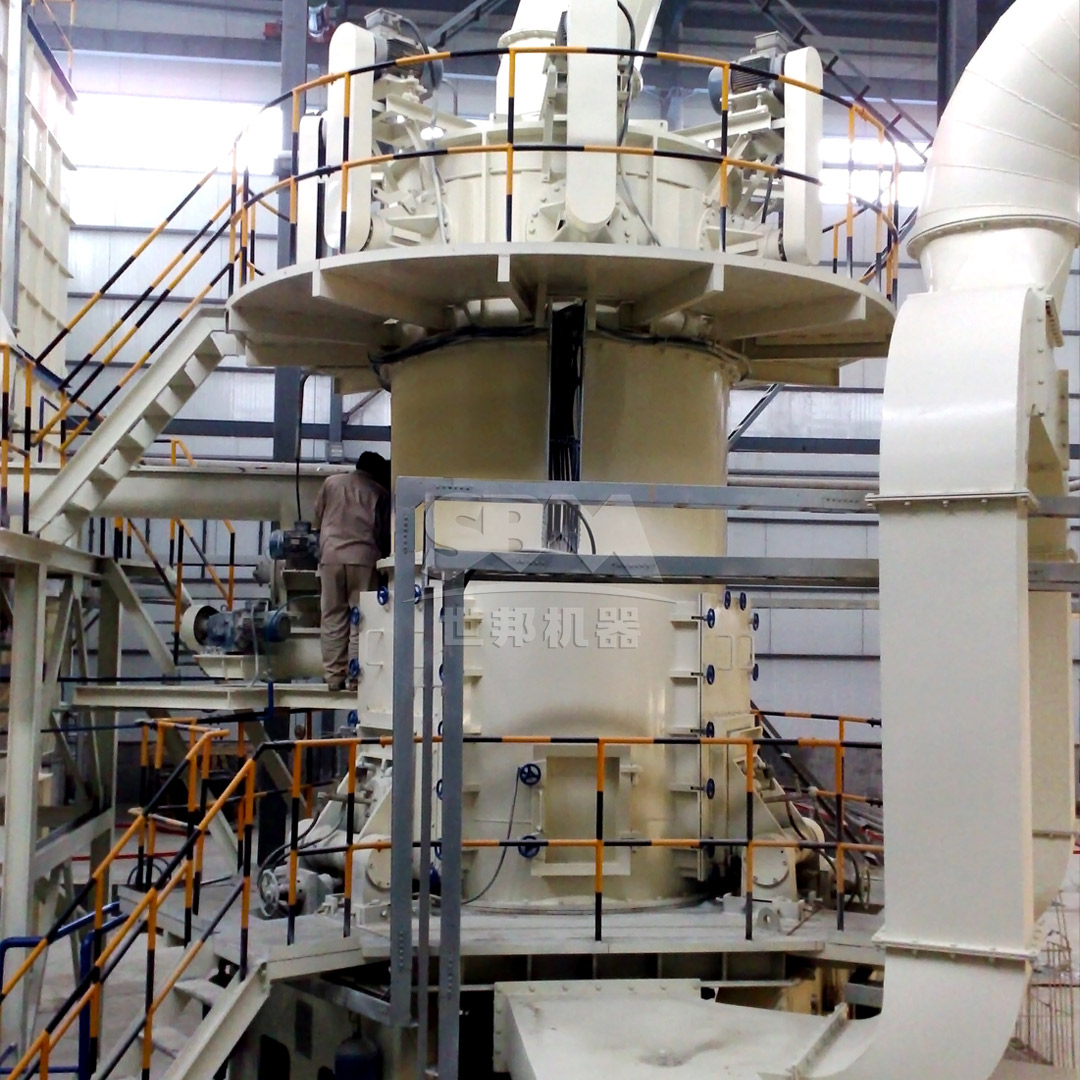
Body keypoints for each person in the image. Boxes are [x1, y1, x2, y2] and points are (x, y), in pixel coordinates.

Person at [313, 451, 390, 690]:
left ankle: (333, 676)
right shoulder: (380, 493)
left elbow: (317, 519)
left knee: (333, 616)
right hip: (363, 559)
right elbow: (385, 534)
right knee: (361, 618)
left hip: (331, 557)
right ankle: (356, 678)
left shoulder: (331, 483)